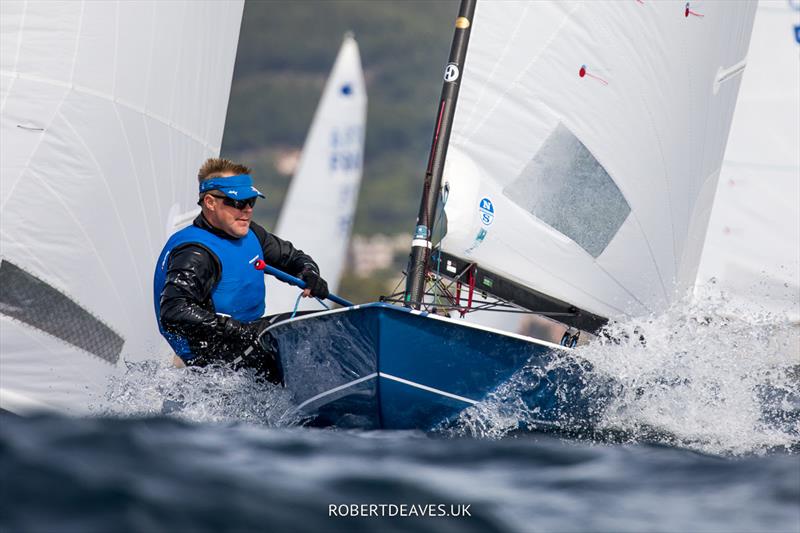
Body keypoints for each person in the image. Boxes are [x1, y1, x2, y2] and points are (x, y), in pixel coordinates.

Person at [153, 158, 329, 382]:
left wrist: (309, 273)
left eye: (251, 201)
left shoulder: (251, 234)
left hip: (248, 340)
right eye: (238, 202)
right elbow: (175, 311)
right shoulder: (196, 253)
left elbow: (294, 258)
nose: (247, 210)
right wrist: (235, 329)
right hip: (215, 359)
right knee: (309, 334)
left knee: (318, 327)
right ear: (210, 202)